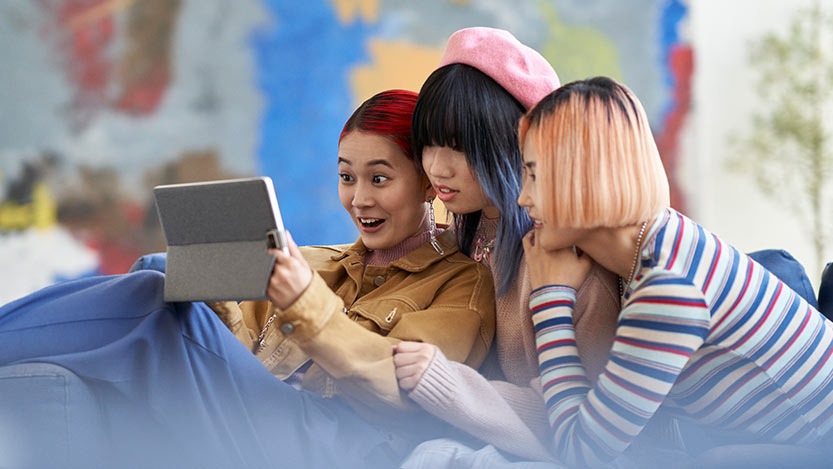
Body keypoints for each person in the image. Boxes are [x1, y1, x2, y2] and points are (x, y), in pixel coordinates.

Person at [0, 89, 495, 469]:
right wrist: (217, 299)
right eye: (347, 177)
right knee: (162, 272)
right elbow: (242, 354)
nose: (359, 198)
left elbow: (401, 395)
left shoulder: (462, 284)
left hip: (347, 446)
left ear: (428, 182)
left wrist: (305, 303)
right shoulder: (318, 261)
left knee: (158, 290)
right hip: (267, 416)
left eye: (379, 178)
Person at [518, 76, 833, 467]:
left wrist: (550, 298)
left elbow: (582, 452)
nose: (523, 197)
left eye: (534, 174)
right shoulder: (660, 238)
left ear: (586, 175)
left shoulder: (668, 287)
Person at [392, 27, 620, 465]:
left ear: (514, 145)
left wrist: (444, 383)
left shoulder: (570, 259)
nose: (437, 167)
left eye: (460, 147)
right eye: (429, 144)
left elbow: (579, 425)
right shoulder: (467, 234)